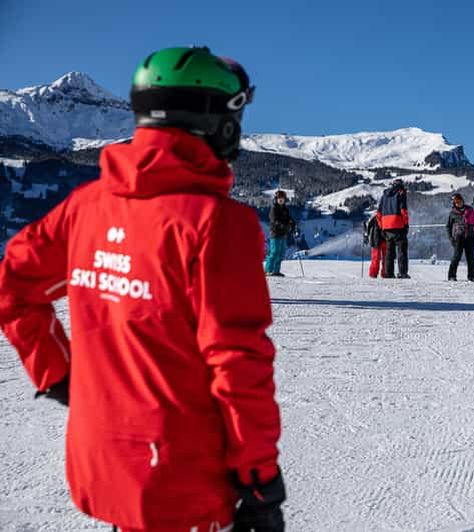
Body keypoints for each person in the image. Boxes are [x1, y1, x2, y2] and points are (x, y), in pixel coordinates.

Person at [0, 47, 286, 531]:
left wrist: (58, 373)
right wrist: (259, 479)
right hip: (181, 476)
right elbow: (236, 362)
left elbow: (14, 285)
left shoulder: (86, 207)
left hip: (105, 460)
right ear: (212, 119)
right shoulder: (217, 224)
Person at [446, 193, 474, 281]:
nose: (458, 203)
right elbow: (448, 226)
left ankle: (471, 276)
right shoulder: (453, 213)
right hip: (459, 237)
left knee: (470, 257)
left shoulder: (470, 210)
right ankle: (451, 276)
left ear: (462, 200)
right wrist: (451, 238)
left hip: (470, 236)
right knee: (456, 256)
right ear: (454, 204)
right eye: (456, 202)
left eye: (459, 201)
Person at [377, 179, 410, 278]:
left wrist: (382, 226)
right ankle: (402, 273)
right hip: (398, 225)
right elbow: (403, 211)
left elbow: (378, 213)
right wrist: (406, 224)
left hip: (386, 227)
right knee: (402, 250)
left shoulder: (384, 196)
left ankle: (388, 273)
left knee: (389, 252)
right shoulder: (401, 193)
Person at [266, 190, 295, 277]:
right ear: (276, 199)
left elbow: (289, 219)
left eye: (282, 198)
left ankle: (276, 271)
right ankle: (268, 270)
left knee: (281, 252)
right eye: (279, 198)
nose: (281, 200)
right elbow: (274, 221)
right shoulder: (274, 208)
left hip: (283, 234)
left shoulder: (285, 209)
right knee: (274, 252)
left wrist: (292, 224)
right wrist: (283, 226)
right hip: (275, 233)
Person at [363, 212, 388, 278]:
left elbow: (368, 227)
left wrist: (366, 235)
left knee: (383, 257)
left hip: (381, 239)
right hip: (378, 239)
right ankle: (375, 273)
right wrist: (366, 235)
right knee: (378, 257)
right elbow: (368, 226)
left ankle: (383, 273)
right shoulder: (376, 217)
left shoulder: (375, 217)